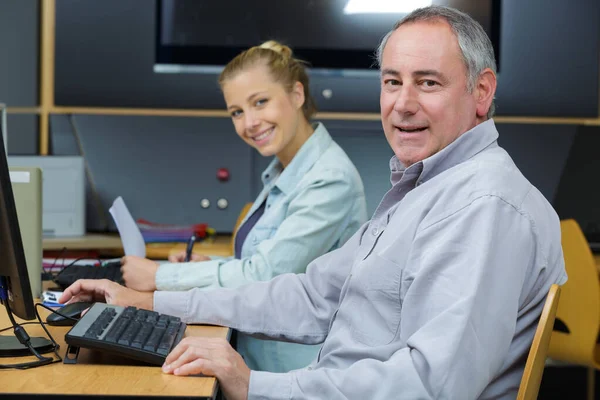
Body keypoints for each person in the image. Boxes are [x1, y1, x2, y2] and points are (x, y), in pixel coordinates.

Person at [61, 5, 567, 400]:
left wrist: (254, 385)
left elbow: (430, 385)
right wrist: (150, 303)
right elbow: (311, 295)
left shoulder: (484, 206)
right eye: (392, 82)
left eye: (428, 83)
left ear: (482, 92)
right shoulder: (426, 189)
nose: (402, 104)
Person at [117, 40, 368, 373]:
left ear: (296, 94)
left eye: (260, 102)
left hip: (297, 373)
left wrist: (161, 275)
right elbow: (267, 262)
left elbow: (264, 276)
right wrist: (203, 267)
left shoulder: (329, 179)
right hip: (258, 356)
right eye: (237, 112)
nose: (250, 122)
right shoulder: (285, 170)